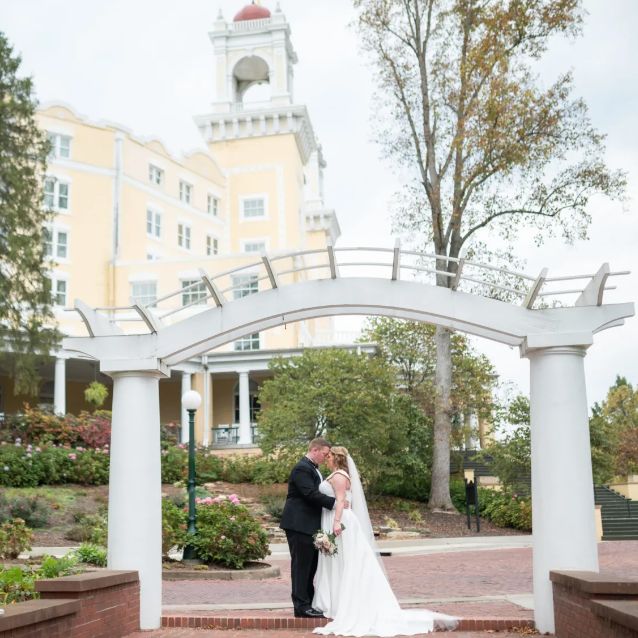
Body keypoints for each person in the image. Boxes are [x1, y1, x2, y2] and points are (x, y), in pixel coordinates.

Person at [312, 446, 458, 636]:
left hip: (340, 521)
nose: (327, 458)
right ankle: (336, 601)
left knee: (346, 562)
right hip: (335, 519)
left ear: (337, 458)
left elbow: (341, 500)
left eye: (330, 456)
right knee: (338, 561)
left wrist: (337, 522)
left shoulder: (339, 476)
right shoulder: (338, 474)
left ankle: (346, 603)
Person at [280, 437, 337, 618]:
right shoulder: (301, 468)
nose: (326, 457)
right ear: (315, 450)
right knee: (301, 567)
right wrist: (336, 503)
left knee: (311, 566)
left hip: (309, 525)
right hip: (299, 524)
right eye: (324, 454)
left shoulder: (312, 468)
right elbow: (309, 494)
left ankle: (310, 602)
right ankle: (301, 607)